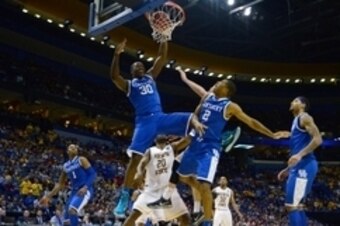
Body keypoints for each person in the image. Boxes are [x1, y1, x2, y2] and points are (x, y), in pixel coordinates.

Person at [175, 69, 288, 226]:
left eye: (220, 83)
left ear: (226, 90)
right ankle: (205, 196)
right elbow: (198, 89)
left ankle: (207, 221)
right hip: (195, 143)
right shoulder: (208, 97)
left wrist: (272, 134)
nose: (216, 83)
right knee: (182, 176)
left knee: (205, 185)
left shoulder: (230, 106)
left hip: (210, 148)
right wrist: (185, 78)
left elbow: (251, 121)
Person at [111, 39, 205, 217]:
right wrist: (116, 55)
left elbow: (161, 57)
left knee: (193, 118)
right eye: (135, 66)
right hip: (144, 122)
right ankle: (125, 195)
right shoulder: (130, 85)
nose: (139, 66)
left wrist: (165, 37)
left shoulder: (150, 76)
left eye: (141, 65)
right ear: (131, 72)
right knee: (135, 160)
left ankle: (213, 137)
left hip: (161, 117)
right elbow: (115, 77)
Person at [123, 135, 192, 226]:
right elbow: (142, 163)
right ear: (155, 140)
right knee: (134, 217)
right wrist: (139, 173)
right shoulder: (150, 151)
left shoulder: (172, 147)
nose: (161, 134)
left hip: (168, 191)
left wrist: (194, 126)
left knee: (185, 218)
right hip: (151, 191)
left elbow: (187, 140)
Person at [277, 96, 322, 226]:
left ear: (303, 105)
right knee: (298, 206)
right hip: (300, 166)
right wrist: (288, 169)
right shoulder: (295, 120)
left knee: (292, 206)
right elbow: (298, 148)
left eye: (296, 101)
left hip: (305, 165)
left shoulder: (305, 117)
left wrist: (300, 155)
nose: (292, 102)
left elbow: (318, 139)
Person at [39, 144, 97, 226]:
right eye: (71, 147)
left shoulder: (81, 159)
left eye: (75, 147)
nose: (74, 148)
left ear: (77, 151)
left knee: (72, 210)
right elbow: (60, 184)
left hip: (84, 189)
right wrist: (48, 196)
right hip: (74, 191)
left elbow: (93, 174)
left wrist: (85, 187)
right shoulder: (65, 166)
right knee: (66, 221)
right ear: (67, 151)